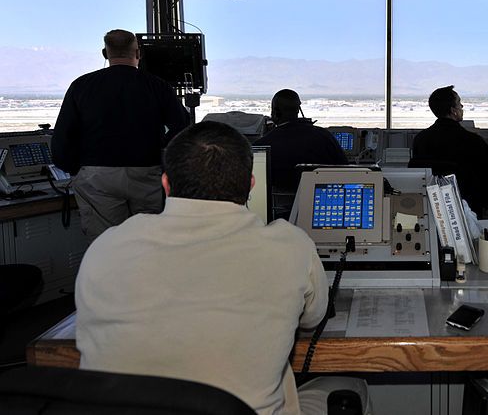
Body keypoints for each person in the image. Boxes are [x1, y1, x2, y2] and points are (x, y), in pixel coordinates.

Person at [75, 121, 331, 415]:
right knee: (349, 388)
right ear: (250, 184)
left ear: (166, 183)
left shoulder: (106, 247)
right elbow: (313, 319)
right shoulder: (290, 246)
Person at [51, 29, 189, 241]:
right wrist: (161, 153)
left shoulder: (82, 85)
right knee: (149, 242)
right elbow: (182, 125)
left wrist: (73, 169)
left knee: (106, 244)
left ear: (105, 54)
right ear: (138, 53)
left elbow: (62, 138)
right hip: (146, 173)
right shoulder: (157, 85)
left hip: (97, 176)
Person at [412, 85, 488, 225]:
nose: (462, 106)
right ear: (453, 111)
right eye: (459, 103)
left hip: (436, 211)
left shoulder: (420, 140)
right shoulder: (473, 141)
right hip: (473, 212)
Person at [252, 88, 347, 195]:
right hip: (319, 203)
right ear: (298, 110)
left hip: (277, 208)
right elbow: (344, 170)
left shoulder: (262, 146)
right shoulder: (325, 136)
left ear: (275, 112)